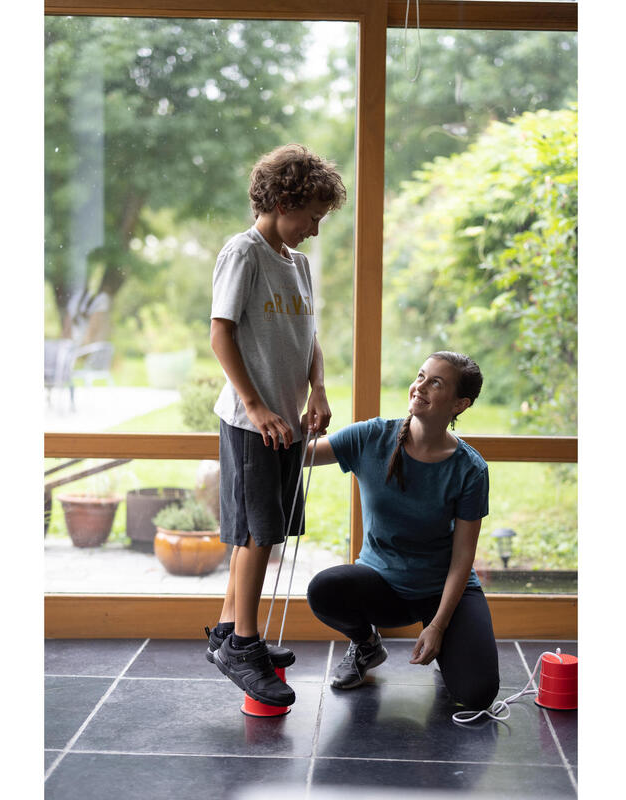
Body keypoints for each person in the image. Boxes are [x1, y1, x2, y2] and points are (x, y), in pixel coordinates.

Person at [206, 144, 346, 708]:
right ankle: (244, 643)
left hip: (287, 421)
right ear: (284, 201)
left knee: (263, 529)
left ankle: (224, 632)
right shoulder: (244, 253)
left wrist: (318, 387)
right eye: (311, 215)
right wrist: (256, 405)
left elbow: (309, 336)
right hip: (250, 423)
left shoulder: (299, 263)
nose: (315, 228)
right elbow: (220, 334)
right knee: (258, 532)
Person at [306, 351, 500, 710]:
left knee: (477, 695)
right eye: (421, 376)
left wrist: (439, 626)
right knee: (324, 590)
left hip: (442, 591)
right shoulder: (372, 437)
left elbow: (462, 558)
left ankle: (446, 645)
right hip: (383, 587)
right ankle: (366, 645)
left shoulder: (470, 469)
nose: (420, 386)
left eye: (436, 383)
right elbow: (303, 456)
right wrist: (274, 410)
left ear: (460, 404)